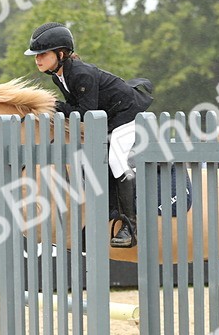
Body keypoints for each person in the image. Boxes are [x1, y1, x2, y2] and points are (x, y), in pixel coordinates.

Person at [25, 22, 151, 248]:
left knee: (117, 161)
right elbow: (77, 110)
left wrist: (53, 105)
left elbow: (85, 113)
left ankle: (130, 228)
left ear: (61, 54)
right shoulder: (59, 76)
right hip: (107, 118)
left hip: (126, 115)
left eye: (43, 54)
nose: (37, 59)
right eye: (36, 55)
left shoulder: (80, 74)